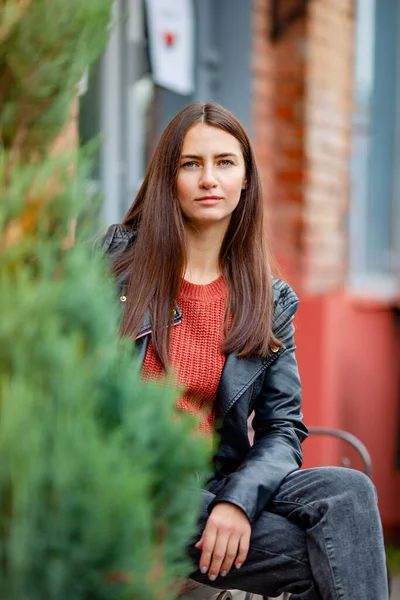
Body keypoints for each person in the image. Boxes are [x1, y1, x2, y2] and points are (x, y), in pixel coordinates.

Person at [102, 102, 388, 599]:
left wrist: (235, 503)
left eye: (225, 162)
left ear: (246, 181)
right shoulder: (116, 268)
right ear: (168, 178)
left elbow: (283, 429)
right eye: (191, 164)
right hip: (134, 482)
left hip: (216, 483)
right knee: (322, 554)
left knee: (349, 493)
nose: (209, 178)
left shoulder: (266, 300)